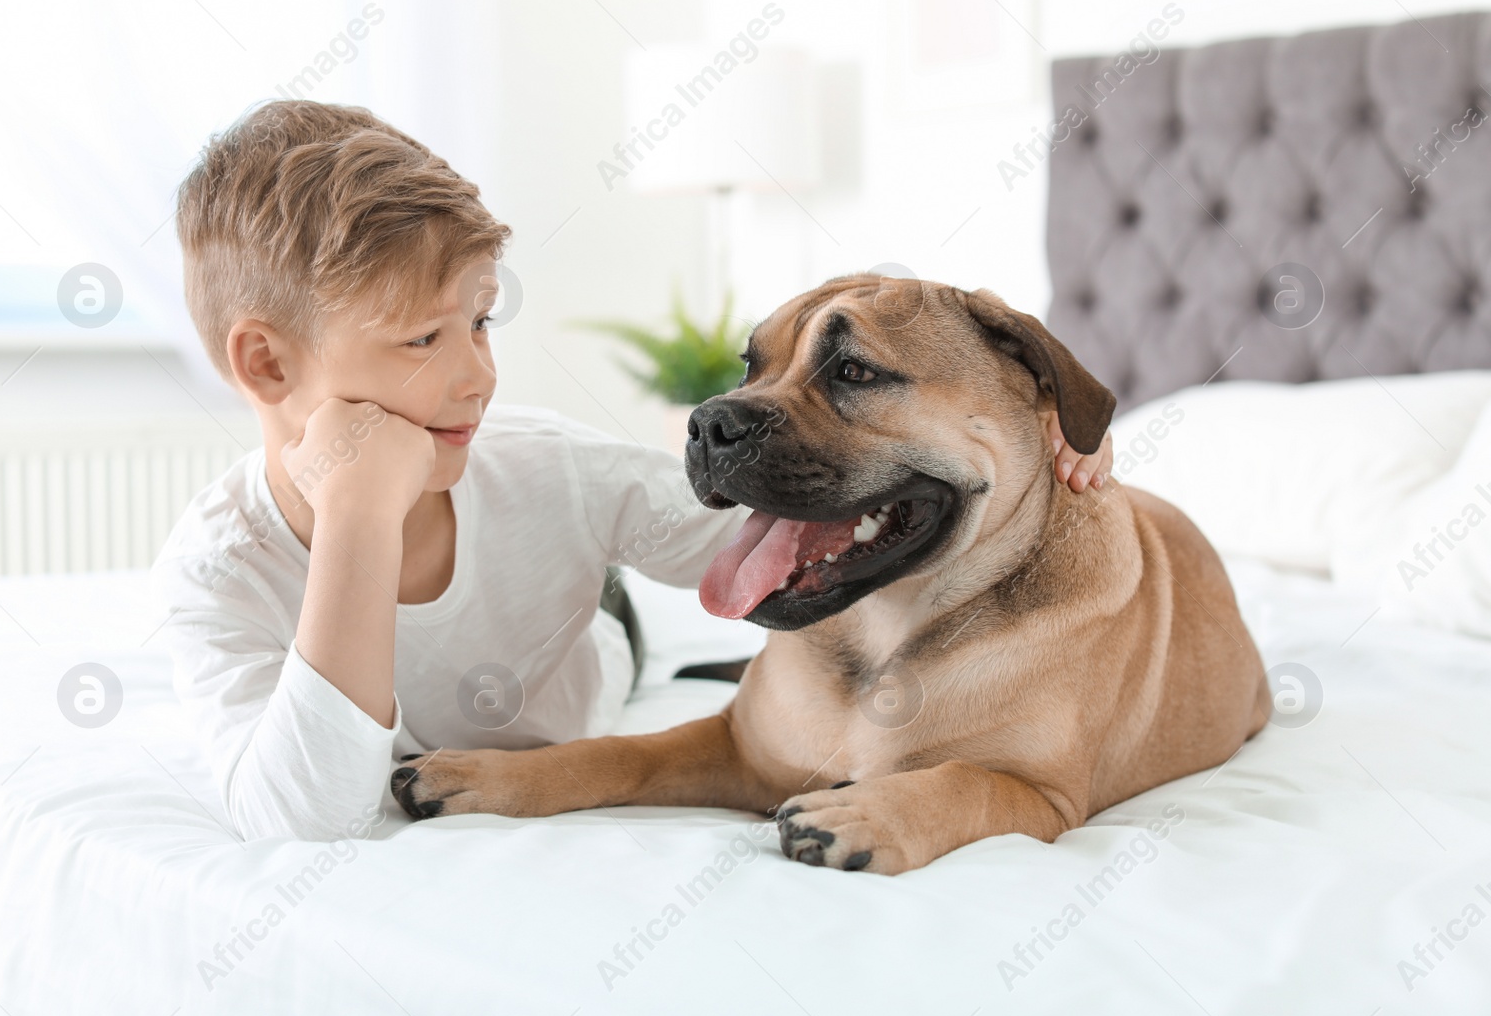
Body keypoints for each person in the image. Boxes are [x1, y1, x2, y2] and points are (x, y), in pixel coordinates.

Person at [151, 100, 1113, 841]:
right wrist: (359, 514)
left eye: (481, 321)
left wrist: (1040, 437)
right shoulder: (215, 569)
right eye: (421, 339)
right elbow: (302, 818)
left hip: (592, 648)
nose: (477, 373)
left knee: (616, 619)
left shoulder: (550, 474)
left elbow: (797, 539)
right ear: (267, 365)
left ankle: (610, 605)